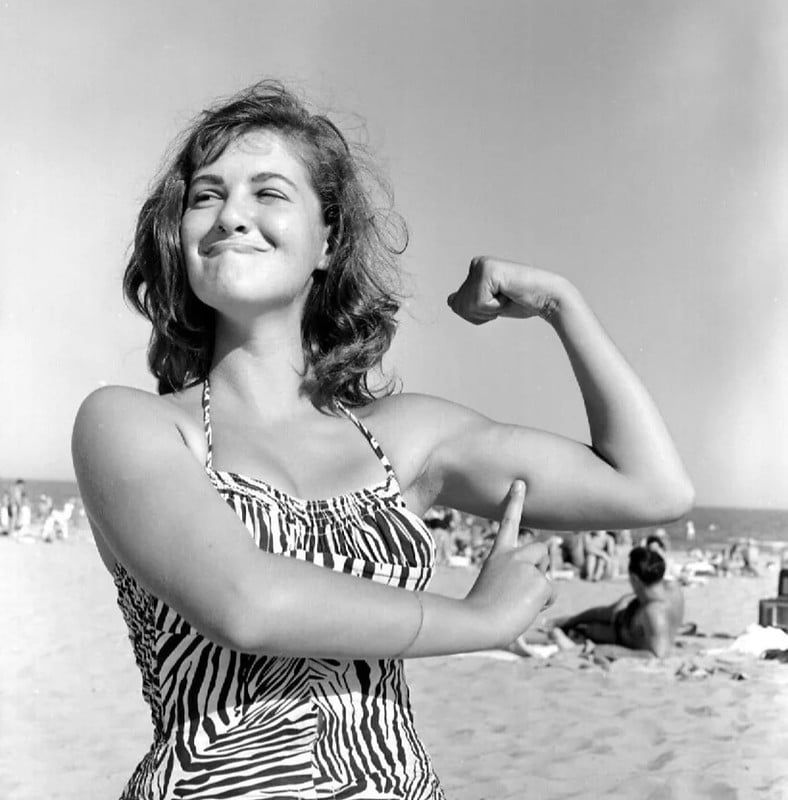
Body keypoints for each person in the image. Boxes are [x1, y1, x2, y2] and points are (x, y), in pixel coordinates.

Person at [71, 80, 693, 798]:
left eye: (268, 192)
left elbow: (652, 488)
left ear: (328, 238)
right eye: (206, 196)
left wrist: (561, 304)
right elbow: (247, 604)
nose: (231, 215)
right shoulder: (130, 425)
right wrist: (477, 620)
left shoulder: (401, 439)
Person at [550, 547, 685, 658]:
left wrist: (607, 651)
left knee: (594, 625)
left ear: (635, 578)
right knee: (605, 613)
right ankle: (568, 622)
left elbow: (656, 655)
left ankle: (567, 624)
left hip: (625, 632)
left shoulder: (653, 612)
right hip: (635, 620)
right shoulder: (673, 588)